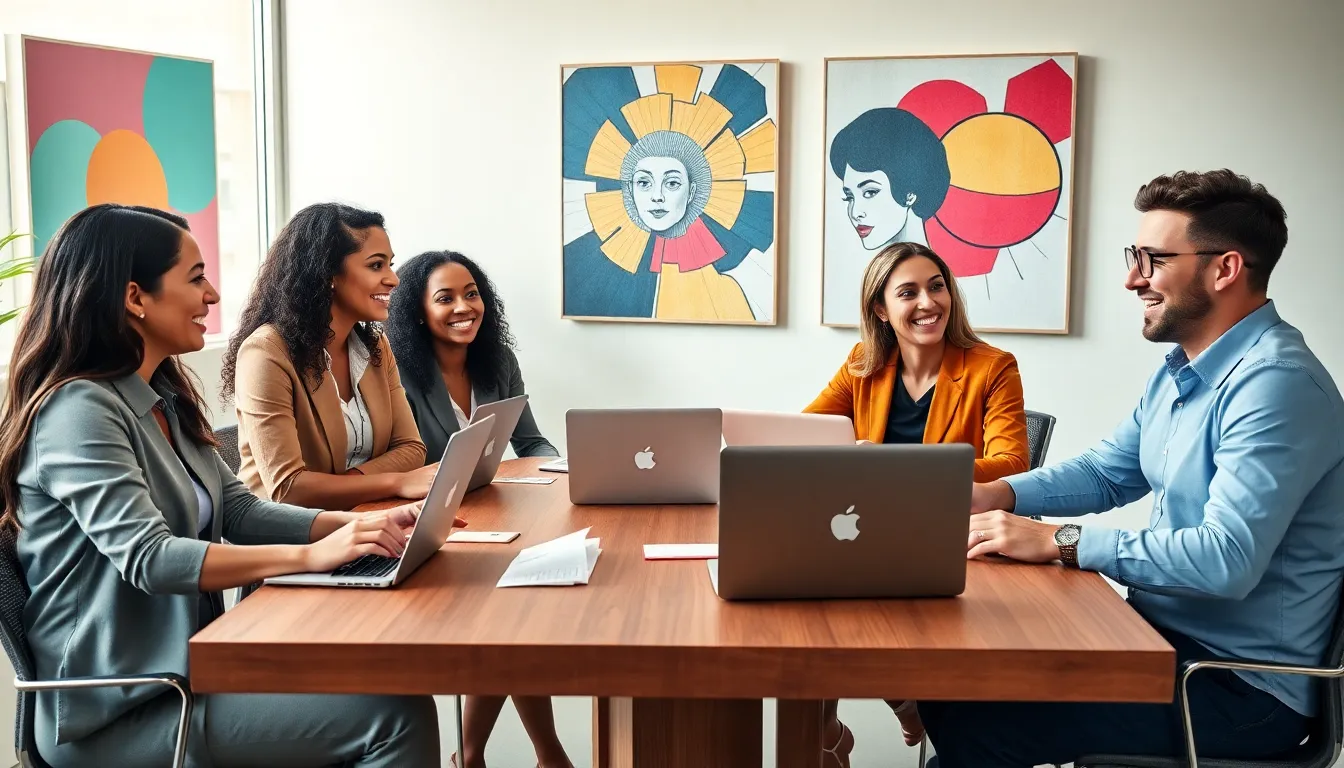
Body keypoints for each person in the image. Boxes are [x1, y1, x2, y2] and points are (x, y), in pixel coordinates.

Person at [921, 169, 1344, 767]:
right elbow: (1106, 473)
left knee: (980, 715)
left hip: (1236, 689)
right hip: (1155, 645)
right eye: (1134, 256)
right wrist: (995, 494)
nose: (1131, 278)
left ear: (1224, 269)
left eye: (1153, 259)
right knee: (958, 685)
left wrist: (1060, 540)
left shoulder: (1276, 385)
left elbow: (1226, 560)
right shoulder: (1184, 368)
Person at [0, 203, 444, 766]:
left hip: (196, 671)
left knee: (387, 680)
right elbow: (151, 558)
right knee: (393, 718)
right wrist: (310, 555)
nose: (212, 295)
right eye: (195, 278)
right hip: (120, 712)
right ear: (135, 298)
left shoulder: (160, 394)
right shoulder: (78, 410)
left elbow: (238, 511)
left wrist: (362, 526)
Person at [804, 241, 1030, 765]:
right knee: (809, 588)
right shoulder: (864, 365)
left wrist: (896, 470)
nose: (929, 302)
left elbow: (1012, 464)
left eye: (937, 286)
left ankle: (832, 730)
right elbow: (806, 434)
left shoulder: (992, 367)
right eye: (908, 292)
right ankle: (835, 724)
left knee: (835, 594)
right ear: (881, 309)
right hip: (872, 531)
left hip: (951, 534)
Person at [385, 250, 570, 768]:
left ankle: (478, 757)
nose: (464, 306)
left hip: (488, 518)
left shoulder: (499, 363)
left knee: (516, 618)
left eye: (472, 293)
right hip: (432, 524)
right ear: (418, 311)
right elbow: (404, 460)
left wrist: (565, 474)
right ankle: (540, 754)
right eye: (445, 298)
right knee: (509, 619)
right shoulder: (398, 373)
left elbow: (532, 443)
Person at [222, 203, 435, 510]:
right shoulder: (266, 353)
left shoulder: (375, 346)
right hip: (284, 541)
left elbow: (411, 448)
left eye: (390, 264)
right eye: (376, 265)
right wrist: (395, 481)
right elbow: (288, 487)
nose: (393, 279)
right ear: (327, 273)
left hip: (364, 517)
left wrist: (350, 484)